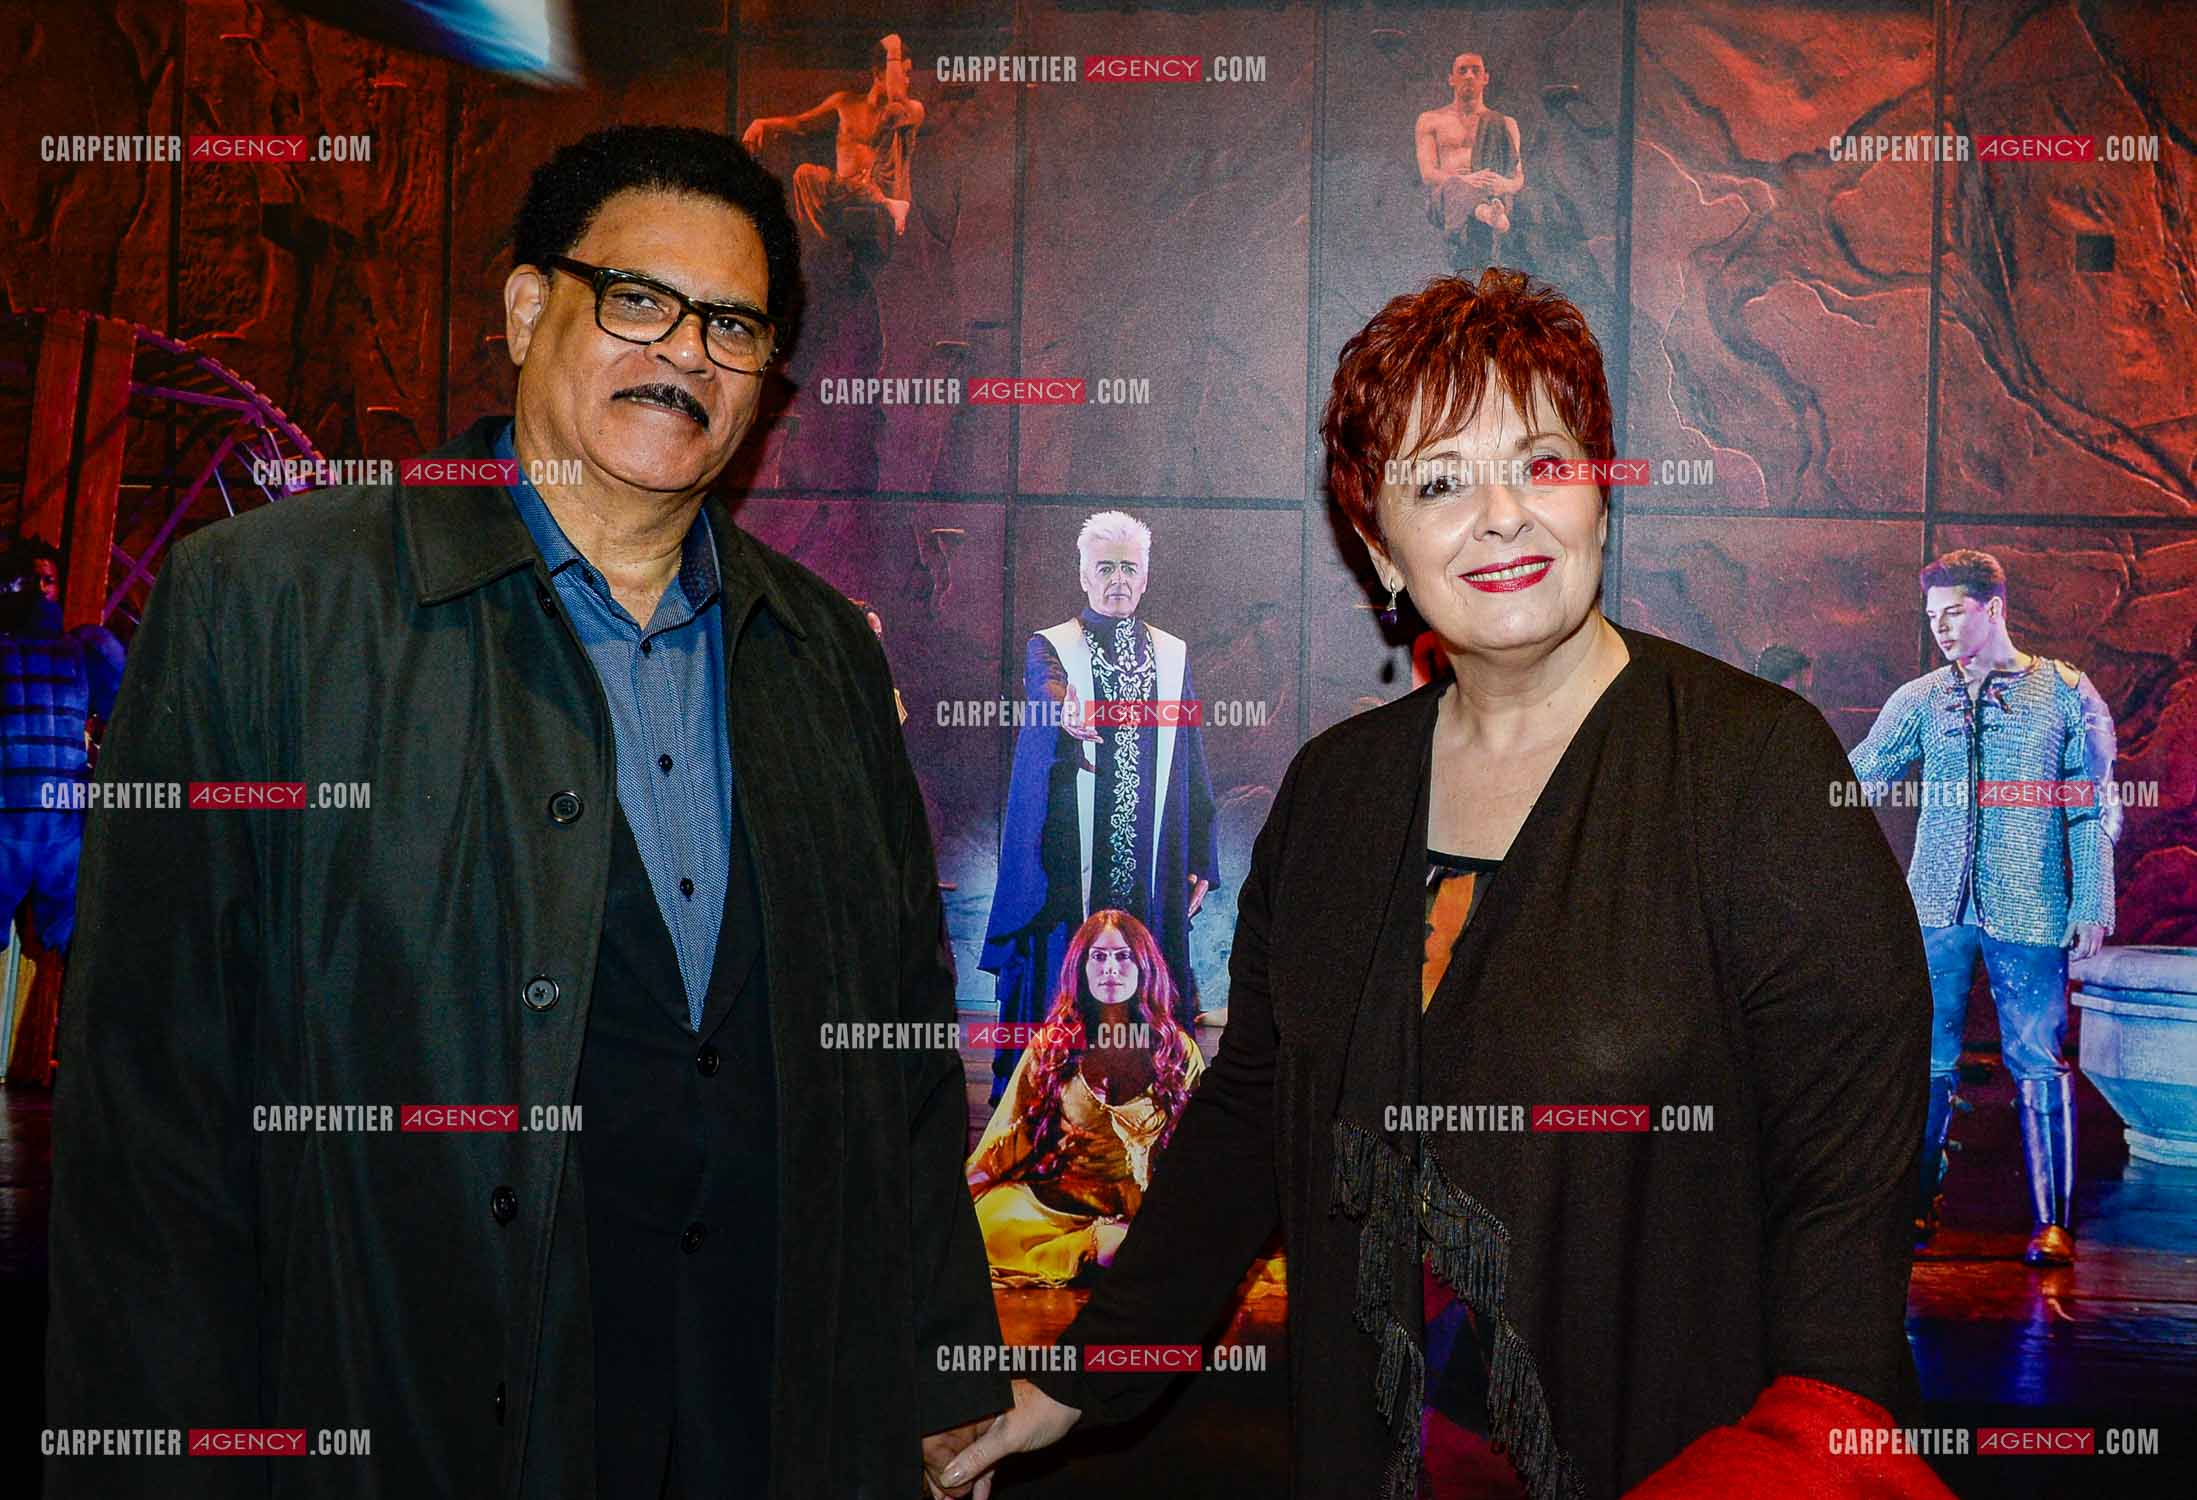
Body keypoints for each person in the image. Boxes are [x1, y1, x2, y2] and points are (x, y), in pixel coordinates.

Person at [45, 124, 1006, 1500]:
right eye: (636, 300)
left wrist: (941, 1378)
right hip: (423, 1428)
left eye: (733, 326)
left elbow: (902, 1065)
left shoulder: (822, 655)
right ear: (522, 308)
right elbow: (153, 1118)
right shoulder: (266, 607)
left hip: (767, 1420)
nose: (683, 352)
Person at [944, 269, 1954, 1499]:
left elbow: (1848, 1186)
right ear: (1377, 545)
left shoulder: (1754, 769)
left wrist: (1800, 1461)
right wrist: (1078, 1378)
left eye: (1539, 461)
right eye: (1436, 482)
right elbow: (1254, 1116)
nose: (1501, 517)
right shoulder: (1333, 798)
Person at [1848, 549, 2118, 1266]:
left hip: (2030, 904)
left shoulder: (2064, 692)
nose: (1939, 628)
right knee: (1924, 1061)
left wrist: (2091, 899)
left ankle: (2051, 1224)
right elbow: (1857, 780)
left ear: (1992, 608)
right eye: (1931, 616)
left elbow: (2088, 810)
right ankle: (1912, 1211)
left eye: (1953, 613)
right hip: (1934, 905)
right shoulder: (1918, 698)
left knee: (2036, 1058)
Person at [979, 510, 1220, 1105]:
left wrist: (1201, 859)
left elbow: (1189, 756)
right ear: (1084, 575)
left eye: (1128, 569)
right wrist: (1062, 709)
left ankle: (1149, 1104)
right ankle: (1051, 1107)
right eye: (1105, 567)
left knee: (1150, 976)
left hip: (1150, 858)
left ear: (1145, 579)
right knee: (1067, 976)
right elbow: (1045, 688)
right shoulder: (1051, 645)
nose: (1117, 579)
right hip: (1069, 861)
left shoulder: (1172, 655)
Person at [967, 909, 1204, 1286]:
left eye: (1123, 956)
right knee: (986, 1224)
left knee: (1194, 1244)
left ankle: (1112, 1250)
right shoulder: (1051, 1046)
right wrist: (951, 1210)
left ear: (1144, 966)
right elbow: (1004, 1140)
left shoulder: (1175, 1049)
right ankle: (1090, 1250)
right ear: (1082, 968)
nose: (1111, 967)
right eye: (1099, 956)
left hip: (1140, 1212)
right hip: (1057, 1208)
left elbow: (1201, 1152)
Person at [0, 540, 123, 955]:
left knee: (83, 948)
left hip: (64, 823)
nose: (38, 587)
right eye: (27, 579)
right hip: (9, 821)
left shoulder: (86, 647)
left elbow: (129, 718)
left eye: (47, 579)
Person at [741, 32, 924, 275]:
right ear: (879, 74)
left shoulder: (911, 111)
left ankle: (885, 202)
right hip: (845, 192)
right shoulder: (845, 102)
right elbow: (801, 123)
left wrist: (893, 51)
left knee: (869, 187)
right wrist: (763, 123)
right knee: (805, 174)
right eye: (905, 73)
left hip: (885, 192)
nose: (908, 81)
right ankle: (826, 249)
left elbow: (896, 101)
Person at [1416, 53, 1524, 272]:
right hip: (1447, 198)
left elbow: (1518, 176)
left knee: (1479, 269)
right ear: (1451, 79)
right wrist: (1465, 179)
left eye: (1476, 70)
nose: (1469, 76)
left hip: (1493, 194)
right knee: (1456, 185)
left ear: (1486, 78)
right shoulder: (1430, 120)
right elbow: (1428, 173)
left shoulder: (1504, 123)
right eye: (1462, 71)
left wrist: (1505, 185)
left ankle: (1489, 213)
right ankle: (1486, 213)